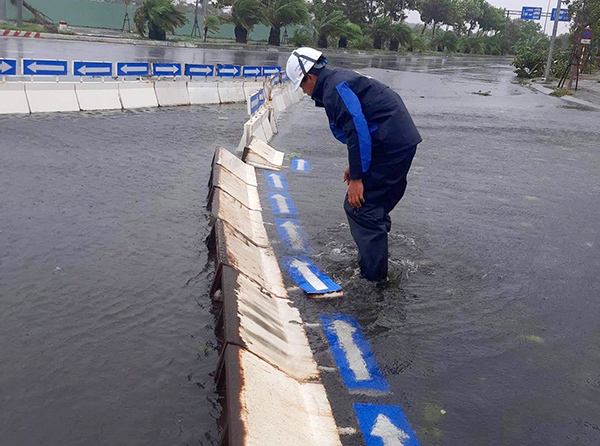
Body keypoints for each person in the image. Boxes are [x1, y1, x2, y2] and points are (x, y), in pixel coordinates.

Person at [286, 47, 422, 283]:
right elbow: (362, 126)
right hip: (397, 140)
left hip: (390, 144)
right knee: (374, 206)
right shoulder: (338, 79)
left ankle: (374, 279)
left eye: (301, 86)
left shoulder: (334, 90)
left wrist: (358, 178)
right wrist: (357, 164)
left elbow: (357, 127)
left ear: (310, 77)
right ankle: (377, 254)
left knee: (360, 207)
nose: (304, 93)